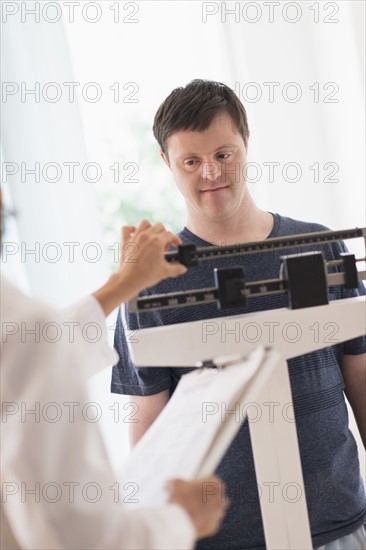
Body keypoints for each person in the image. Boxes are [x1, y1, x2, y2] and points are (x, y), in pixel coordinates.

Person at [111, 80, 366, 549]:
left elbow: (362, 376)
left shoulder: (321, 246)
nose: (211, 171)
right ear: (167, 163)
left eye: (224, 154)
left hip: (338, 525)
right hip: (223, 539)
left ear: (246, 143)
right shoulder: (152, 280)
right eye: (192, 161)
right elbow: (149, 421)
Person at [1, 209, 229, 549]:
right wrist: (182, 520)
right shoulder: (25, 327)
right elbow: (78, 537)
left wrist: (124, 282)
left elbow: (31, 352)